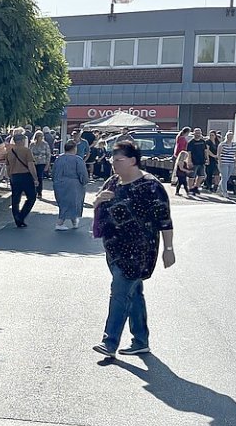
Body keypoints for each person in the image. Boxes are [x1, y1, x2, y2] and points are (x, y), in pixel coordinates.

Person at [92, 140, 175, 359]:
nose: (113, 163)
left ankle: (109, 342)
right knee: (134, 293)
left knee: (119, 293)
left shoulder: (151, 186)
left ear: (132, 161)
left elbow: (165, 220)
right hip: (113, 249)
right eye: (112, 159)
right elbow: (97, 203)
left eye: (118, 160)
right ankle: (140, 340)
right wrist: (99, 200)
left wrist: (169, 248)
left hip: (139, 251)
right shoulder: (113, 182)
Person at [1, 129, 39, 228]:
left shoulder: (9, 152)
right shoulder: (26, 151)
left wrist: (10, 176)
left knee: (15, 198)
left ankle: (17, 217)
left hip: (14, 176)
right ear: (22, 141)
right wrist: (35, 178)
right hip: (25, 176)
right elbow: (31, 165)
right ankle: (22, 216)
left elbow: (8, 166)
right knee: (31, 197)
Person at [52, 141, 89, 229]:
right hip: (73, 184)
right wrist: (84, 182)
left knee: (64, 203)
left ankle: (74, 221)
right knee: (74, 203)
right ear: (74, 148)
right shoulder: (78, 159)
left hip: (59, 183)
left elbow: (53, 172)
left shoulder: (59, 159)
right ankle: (60, 223)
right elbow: (82, 173)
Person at [29, 130, 51, 201]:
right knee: (33, 176)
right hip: (34, 162)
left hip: (42, 162)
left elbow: (48, 154)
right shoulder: (32, 144)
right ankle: (33, 191)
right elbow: (29, 153)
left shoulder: (45, 144)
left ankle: (39, 192)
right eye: (38, 136)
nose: (39, 137)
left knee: (39, 177)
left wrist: (47, 164)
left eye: (41, 136)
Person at [186, 129, 209, 195]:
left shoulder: (203, 142)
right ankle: (190, 189)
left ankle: (195, 187)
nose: (198, 134)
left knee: (202, 176)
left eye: (199, 133)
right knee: (192, 177)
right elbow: (189, 153)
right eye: (196, 133)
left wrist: (207, 159)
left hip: (202, 161)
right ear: (194, 133)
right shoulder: (191, 142)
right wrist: (189, 161)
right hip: (194, 162)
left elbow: (205, 151)